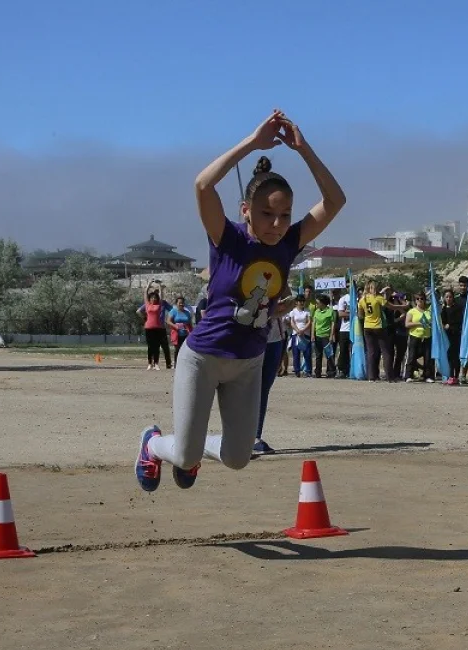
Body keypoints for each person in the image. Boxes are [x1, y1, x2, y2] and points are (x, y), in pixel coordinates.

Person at [134, 109, 345, 492]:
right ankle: (152, 443)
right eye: (267, 214)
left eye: (285, 215)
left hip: (248, 363)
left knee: (238, 457)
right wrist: (252, 142)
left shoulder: (288, 243)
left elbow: (335, 200)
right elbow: (202, 185)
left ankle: (193, 454)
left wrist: (304, 149)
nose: (277, 224)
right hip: (203, 358)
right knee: (184, 454)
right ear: (245, 211)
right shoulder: (227, 238)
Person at [358, 281, 405, 382]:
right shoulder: (378, 298)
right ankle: (390, 377)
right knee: (386, 351)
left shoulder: (362, 299)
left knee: (371, 352)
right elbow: (391, 307)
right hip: (378, 326)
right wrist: (403, 306)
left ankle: (371, 376)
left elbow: (360, 315)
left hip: (367, 326)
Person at [253, 309, 285, 455]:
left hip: (274, 340)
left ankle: (255, 437)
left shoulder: (278, 286)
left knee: (263, 391)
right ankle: (238, 436)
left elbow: (288, 301)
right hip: (252, 337)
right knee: (245, 389)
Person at [403, 292, 434, 382]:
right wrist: (419, 323)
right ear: (415, 301)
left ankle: (428, 376)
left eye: (422, 298)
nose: (420, 300)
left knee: (428, 357)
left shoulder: (428, 311)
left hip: (427, 336)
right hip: (414, 336)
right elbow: (407, 324)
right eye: (418, 299)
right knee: (411, 356)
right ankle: (408, 375)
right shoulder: (412, 311)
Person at [138, 288, 168, 371]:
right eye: (152, 298)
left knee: (156, 347)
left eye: (155, 298)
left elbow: (161, 296)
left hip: (158, 328)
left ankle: (156, 364)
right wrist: (148, 285)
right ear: (149, 299)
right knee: (150, 347)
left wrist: (159, 286)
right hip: (148, 328)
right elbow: (145, 293)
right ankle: (149, 363)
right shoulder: (147, 305)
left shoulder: (159, 305)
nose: (153, 299)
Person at [310, 294, 337, 378]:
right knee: (318, 355)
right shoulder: (316, 311)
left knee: (329, 355)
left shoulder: (330, 311)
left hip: (326, 336)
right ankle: (317, 372)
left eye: (318, 303)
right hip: (317, 335)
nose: (316, 304)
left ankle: (331, 372)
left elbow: (333, 324)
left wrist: (331, 335)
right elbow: (314, 323)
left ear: (323, 303)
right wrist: (312, 335)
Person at [440, 288, 462, 385]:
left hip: (455, 335)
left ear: (453, 298)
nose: (448, 299)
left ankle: (455, 376)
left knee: (455, 357)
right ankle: (449, 375)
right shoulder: (443, 309)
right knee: (448, 356)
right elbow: (442, 321)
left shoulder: (457, 308)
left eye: (450, 297)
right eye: (447, 297)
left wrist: (450, 325)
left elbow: (459, 321)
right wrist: (444, 325)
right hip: (446, 336)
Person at [287, 294, 312, 377]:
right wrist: (297, 330)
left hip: (305, 334)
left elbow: (309, 322)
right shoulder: (293, 311)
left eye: (303, 301)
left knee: (307, 353)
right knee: (296, 354)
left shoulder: (307, 311)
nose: (301, 303)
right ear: (296, 302)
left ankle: (308, 371)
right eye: (300, 301)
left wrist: (303, 330)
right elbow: (292, 322)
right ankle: (297, 371)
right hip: (296, 334)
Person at [166, 295, 195, 364]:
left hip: (186, 334)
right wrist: (175, 326)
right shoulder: (173, 311)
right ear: (176, 303)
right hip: (177, 334)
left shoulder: (187, 312)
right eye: (180, 302)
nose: (181, 304)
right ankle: (176, 363)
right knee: (177, 349)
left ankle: (184, 363)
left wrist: (193, 332)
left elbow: (190, 323)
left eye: (182, 303)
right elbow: (168, 321)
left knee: (186, 350)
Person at [332, 287, 351, 379]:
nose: (349, 288)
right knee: (343, 351)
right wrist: (352, 314)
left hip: (356, 329)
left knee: (355, 351)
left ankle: (353, 369)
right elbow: (340, 314)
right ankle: (342, 370)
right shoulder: (343, 299)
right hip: (344, 329)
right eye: (347, 286)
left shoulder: (358, 298)